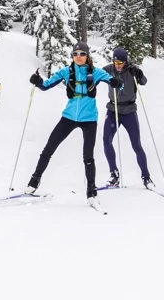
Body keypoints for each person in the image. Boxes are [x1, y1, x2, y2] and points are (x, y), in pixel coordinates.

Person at [26, 43, 118, 207]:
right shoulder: (66, 72)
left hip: (89, 119)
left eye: (82, 53)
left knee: (88, 157)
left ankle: (91, 192)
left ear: (87, 55)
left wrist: (117, 82)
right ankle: (33, 182)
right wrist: (37, 81)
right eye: (75, 54)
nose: (79, 56)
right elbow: (45, 86)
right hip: (68, 117)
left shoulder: (96, 72)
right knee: (48, 149)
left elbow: (114, 81)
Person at [103, 45, 154, 189]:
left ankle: (146, 177)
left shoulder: (132, 71)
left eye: (120, 63)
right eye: (115, 62)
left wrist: (138, 73)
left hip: (129, 110)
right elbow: (95, 75)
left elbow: (143, 82)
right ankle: (114, 175)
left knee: (136, 144)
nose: (117, 65)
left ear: (126, 61)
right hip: (113, 110)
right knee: (106, 141)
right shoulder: (109, 69)